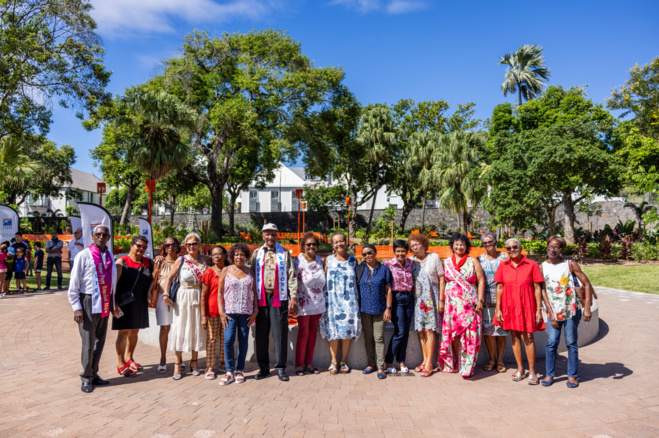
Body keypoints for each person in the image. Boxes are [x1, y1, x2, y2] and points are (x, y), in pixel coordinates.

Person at [67, 225, 116, 393]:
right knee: (88, 342)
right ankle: (86, 377)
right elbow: (74, 283)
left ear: (109, 238)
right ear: (93, 236)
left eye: (105, 234)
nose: (101, 237)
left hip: (104, 302)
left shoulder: (110, 257)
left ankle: (94, 373)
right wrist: (76, 307)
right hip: (87, 301)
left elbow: (112, 283)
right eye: (98, 234)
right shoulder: (83, 255)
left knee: (100, 341)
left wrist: (113, 304)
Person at [540, 235, 594, 389]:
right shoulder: (542, 266)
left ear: (561, 249)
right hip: (554, 311)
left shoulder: (570, 264)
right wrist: (550, 313)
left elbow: (587, 284)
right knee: (552, 343)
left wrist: (587, 308)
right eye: (549, 246)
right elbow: (543, 290)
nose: (551, 250)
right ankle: (549, 374)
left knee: (571, 342)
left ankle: (572, 375)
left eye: (555, 247)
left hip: (571, 310)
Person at [249, 223, 298, 382]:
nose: (270, 237)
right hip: (261, 298)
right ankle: (263, 368)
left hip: (279, 298)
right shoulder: (257, 253)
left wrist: (293, 297)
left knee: (280, 334)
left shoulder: (284, 253)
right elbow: (252, 275)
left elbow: (291, 274)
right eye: (267, 234)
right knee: (261, 335)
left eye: (273, 234)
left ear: (277, 235)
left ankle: (280, 367)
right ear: (263, 235)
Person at [494, 238, 545, 385]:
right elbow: (499, 288)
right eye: (508, 248)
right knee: (514, 337)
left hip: (527, 306)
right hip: (509, 306)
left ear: (520, 247)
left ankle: (533, 371)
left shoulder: (532, 265)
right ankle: (520, 369)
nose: (512, 250)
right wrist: (498, 309)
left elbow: (537, 288)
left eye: (514, 247)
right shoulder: (503, 266)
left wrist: (539, 310)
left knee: (528, 337)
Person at [164, 232, 210, 380]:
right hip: (183, 297)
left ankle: (194, 362)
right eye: (188, 244)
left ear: (199, 245)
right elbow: (169, 278)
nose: (191, 247)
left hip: (198, 296)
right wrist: (165, 295)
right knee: (180, 328)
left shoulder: (205, 260)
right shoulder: (181, 260)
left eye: (194, 244)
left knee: (195, 328)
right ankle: (177, 363)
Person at [439, 233, 486, 378]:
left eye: (462, 244)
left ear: (467, 247)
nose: (459, 247)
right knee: (454, 333)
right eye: (456, 244)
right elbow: (442, 282)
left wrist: (480, 300)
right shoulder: (446, 262)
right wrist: (441, 300)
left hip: (469, 304)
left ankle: (466, 365)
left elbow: (481, 281)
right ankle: (454, 362)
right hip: (452, 304)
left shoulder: (473, 261)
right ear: (452, 246)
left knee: (469, 334)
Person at [319, 232, 361, 375]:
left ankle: (343, 360)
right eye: (336, 242)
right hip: (332, 300)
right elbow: (322, 279)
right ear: (332, 245)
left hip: (349, 301)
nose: (339, 244)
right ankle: (333, 361)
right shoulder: (328, 260)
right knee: (333, 330)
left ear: (346, 242)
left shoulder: (353, 260)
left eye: (342, 241)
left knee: (346, 330)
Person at [112, 235, 154, 376]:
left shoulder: (149, 262)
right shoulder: (121, 262)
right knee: (123, 332)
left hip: (140, 302)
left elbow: (156, 279)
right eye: (139, 246)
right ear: (132, 245)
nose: (141, 249)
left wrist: (149, 293)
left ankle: (129, 358)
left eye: (144, 247)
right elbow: (114, 285)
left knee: (135, 331)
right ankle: (120, 363)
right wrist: (113, 304)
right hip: (123, 302)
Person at [217, 244, 259, 385]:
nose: (239, 257)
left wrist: (256, 310)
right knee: (228, 340)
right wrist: (221, 312)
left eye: (242, 255)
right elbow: (220, 292)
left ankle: (240, 369)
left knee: (243, 340)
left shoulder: (250, 271)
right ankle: (229, 371)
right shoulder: (226, 270)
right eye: (236, 255)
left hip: (246, 313)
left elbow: (255, 292)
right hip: (229, 312)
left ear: (246, 257)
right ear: (232, 256)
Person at [409, 233, 445, 377]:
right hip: (417, 299)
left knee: (430, 330)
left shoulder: (434, 257)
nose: (415, 247)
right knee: (421, 330)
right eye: (412, 246)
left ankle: (430, 363)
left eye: (417, 244)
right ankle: (424, 360)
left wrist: (442, 300)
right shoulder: (410, 261)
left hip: (432, 298)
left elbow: (442, 279)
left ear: (424, 244)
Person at [356, 244, 392, 380]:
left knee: (379, 338)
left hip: (379, 309)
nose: (367, 256)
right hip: (364, 309)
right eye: (364, 254)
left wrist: (388, 309)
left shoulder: (384, 269)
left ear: (375, 253)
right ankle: (371, 363)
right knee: (368, 338)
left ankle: (381, 366)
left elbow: (389, 290)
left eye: (370, 253)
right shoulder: (360, 269)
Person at [293, 232, 326, 376]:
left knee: (313, 333)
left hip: (318, 303)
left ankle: (309, 363)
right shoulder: (297, 261)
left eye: (314, 244)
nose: (311, 246)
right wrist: (292, 299)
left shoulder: (320, 260)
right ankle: (299, 364)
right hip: (303, 303)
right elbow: (292, 281)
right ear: (303, 246)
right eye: (308, 244)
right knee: (303, 333)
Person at [383, 240, 416, 374]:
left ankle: (401, 360)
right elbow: (387, 286)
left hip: (409, 297)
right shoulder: (388, 264)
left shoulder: (410, 263)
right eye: (398, 251)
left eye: (403, 251)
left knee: (406, 331)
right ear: (394, 252)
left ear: (407, 251)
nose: (401, 253)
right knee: (400, 331)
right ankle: (389, 360)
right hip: (396, 299)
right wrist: (388, 307)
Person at [478, 232, 509, 373]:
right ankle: (491, 359)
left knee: (502, 331)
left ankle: (500, 360)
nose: (488, 244)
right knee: (489, 332)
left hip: (504, 298)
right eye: (485, 242)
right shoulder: (479, 259)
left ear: (495, 242)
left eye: (490, 241)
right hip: (487, 298)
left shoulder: (505, 257)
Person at [201, 245, 229, 380]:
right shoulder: (208, 272)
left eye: (219, 253)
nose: (216, 256)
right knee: (212, 339)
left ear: (225, 255)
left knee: (225, 339)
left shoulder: (230, 270)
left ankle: (223, 363)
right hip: (212, 311)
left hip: (228, 311)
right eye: (213, 254)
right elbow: (203, 295)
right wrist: (202, 316)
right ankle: (210, 366)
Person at [151, 237, 179, 373]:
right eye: (167, 245)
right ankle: (163, 358)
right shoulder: (160, 262)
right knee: (164, 328)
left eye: (173, 244)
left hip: (179, 299)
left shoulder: (183, 260)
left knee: (178, 329)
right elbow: (154, 279)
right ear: (164, 247)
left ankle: (178, 359)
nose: (170, 247)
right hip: (163, 298)